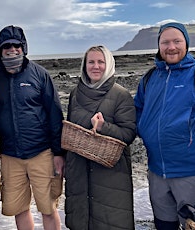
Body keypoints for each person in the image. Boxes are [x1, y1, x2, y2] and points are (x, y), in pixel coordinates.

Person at [134, 22, 195, 229]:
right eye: (165, 42)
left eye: (177, 41)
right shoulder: (149, 78)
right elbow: (137, 110)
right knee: (164, 225)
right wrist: (143, 129)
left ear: (186, 43)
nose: (171, 47)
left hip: (191, 174)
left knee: (193, 226)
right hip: (157, 172)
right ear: (159, 46)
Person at [0, 25, 65, 230]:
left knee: (48, 207)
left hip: (42, 152)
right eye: (6, 46)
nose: (12, 50)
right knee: (19, 208)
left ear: (24, 47)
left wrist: (58, 152)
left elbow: (55, 115)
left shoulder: (39, 74)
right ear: (0, 50)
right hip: (10, 155)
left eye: (16, 45)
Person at [64, 45, 137, 229]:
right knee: (80, 221)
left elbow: (128, 134)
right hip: (78, 171)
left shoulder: (121, 95)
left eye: (100, 62)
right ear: (84, 65)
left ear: (109, 64)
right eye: (91, 62)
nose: (95, 66)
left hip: (110, 175)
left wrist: (104, 126)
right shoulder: (75, 94)